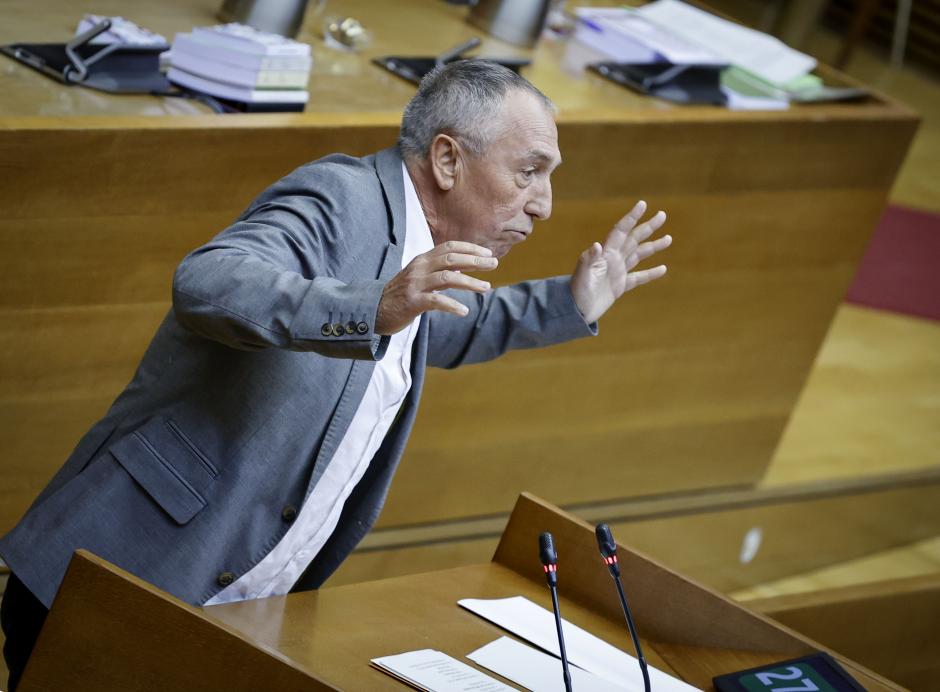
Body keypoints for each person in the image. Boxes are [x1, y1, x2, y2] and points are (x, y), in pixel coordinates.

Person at [0, 60, 670, 690]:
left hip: (219, 612)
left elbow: (456, 324)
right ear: (446, 159)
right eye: (528, 172)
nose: (544, 204)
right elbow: (208, 282)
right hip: (119, 577)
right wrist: (371, 307)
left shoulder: (422, 259)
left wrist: (574, 302)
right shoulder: (341, 196)